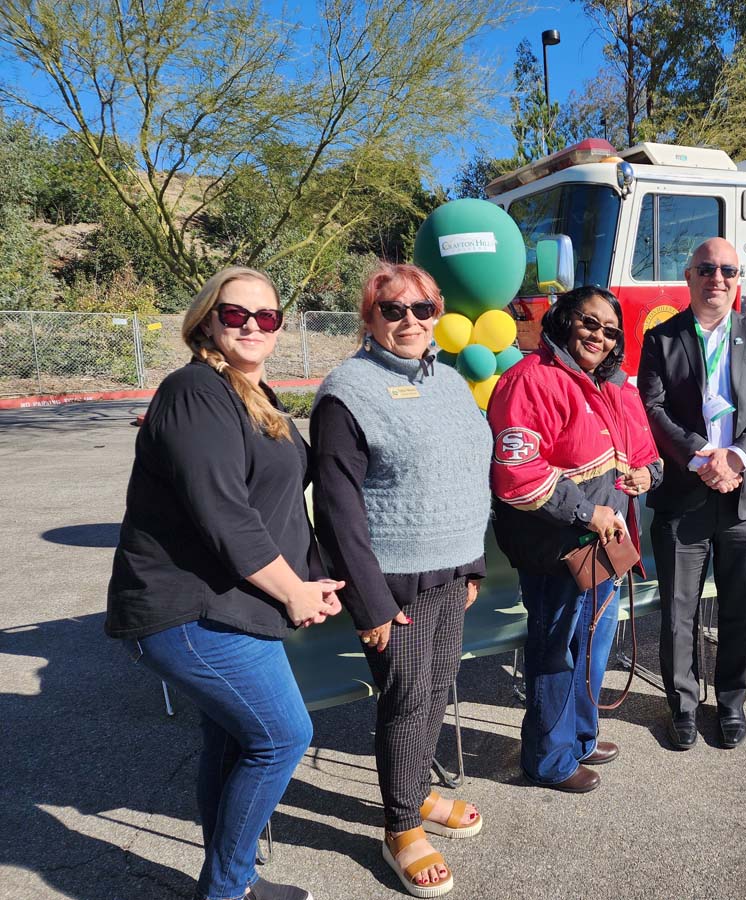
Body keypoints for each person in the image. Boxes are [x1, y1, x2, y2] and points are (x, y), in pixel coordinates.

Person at [106, 267, 344, 900]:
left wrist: (307, 578)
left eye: (266, 317)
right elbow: (224, 513)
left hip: (234, 607)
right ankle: (228, 888)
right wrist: (292, 589)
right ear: (208, 319)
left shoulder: (253, 396)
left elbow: (283, 504)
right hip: (188, 613)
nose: (251, 326)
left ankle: (231, 881)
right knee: (283, 736)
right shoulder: (195, 390)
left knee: (232, 737)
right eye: (236, 314)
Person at [311, 262, 492, 898]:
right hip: (394, 585)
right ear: (369, 319)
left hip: (450, 572)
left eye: (422, 308)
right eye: (393, 310)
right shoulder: (347, 393)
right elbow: (336, 511)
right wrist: (371, 605)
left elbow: (467, 471)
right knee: (408, 698)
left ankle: (415, 791)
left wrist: (472, 563)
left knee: (437, 688)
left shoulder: (446, 380)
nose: (410, 321)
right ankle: (399, 828)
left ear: (437, 312)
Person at [488, 286, 662, 792]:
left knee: (594, 643)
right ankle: (549, 759)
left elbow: (645, 449)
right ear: (564, 321)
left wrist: (648, 474)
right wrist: (588, 510)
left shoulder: (614, 386)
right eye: (589, 323)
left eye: (610, 331)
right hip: (554, 544)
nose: (599, 337)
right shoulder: (529, 380)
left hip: (604, 543)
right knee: (558, 648)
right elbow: (516, 473)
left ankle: (580, 737)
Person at [638, 238, 746, 749]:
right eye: (707, 268)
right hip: (686, 495)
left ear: (737, 279)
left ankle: (731, 700)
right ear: (689, 276)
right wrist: (703, 454)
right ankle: (681, 705)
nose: (717, 278)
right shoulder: (661, 339)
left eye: (728, 269)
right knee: (679, 612)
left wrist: (738, 456)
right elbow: (652, 409)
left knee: (738, 609)